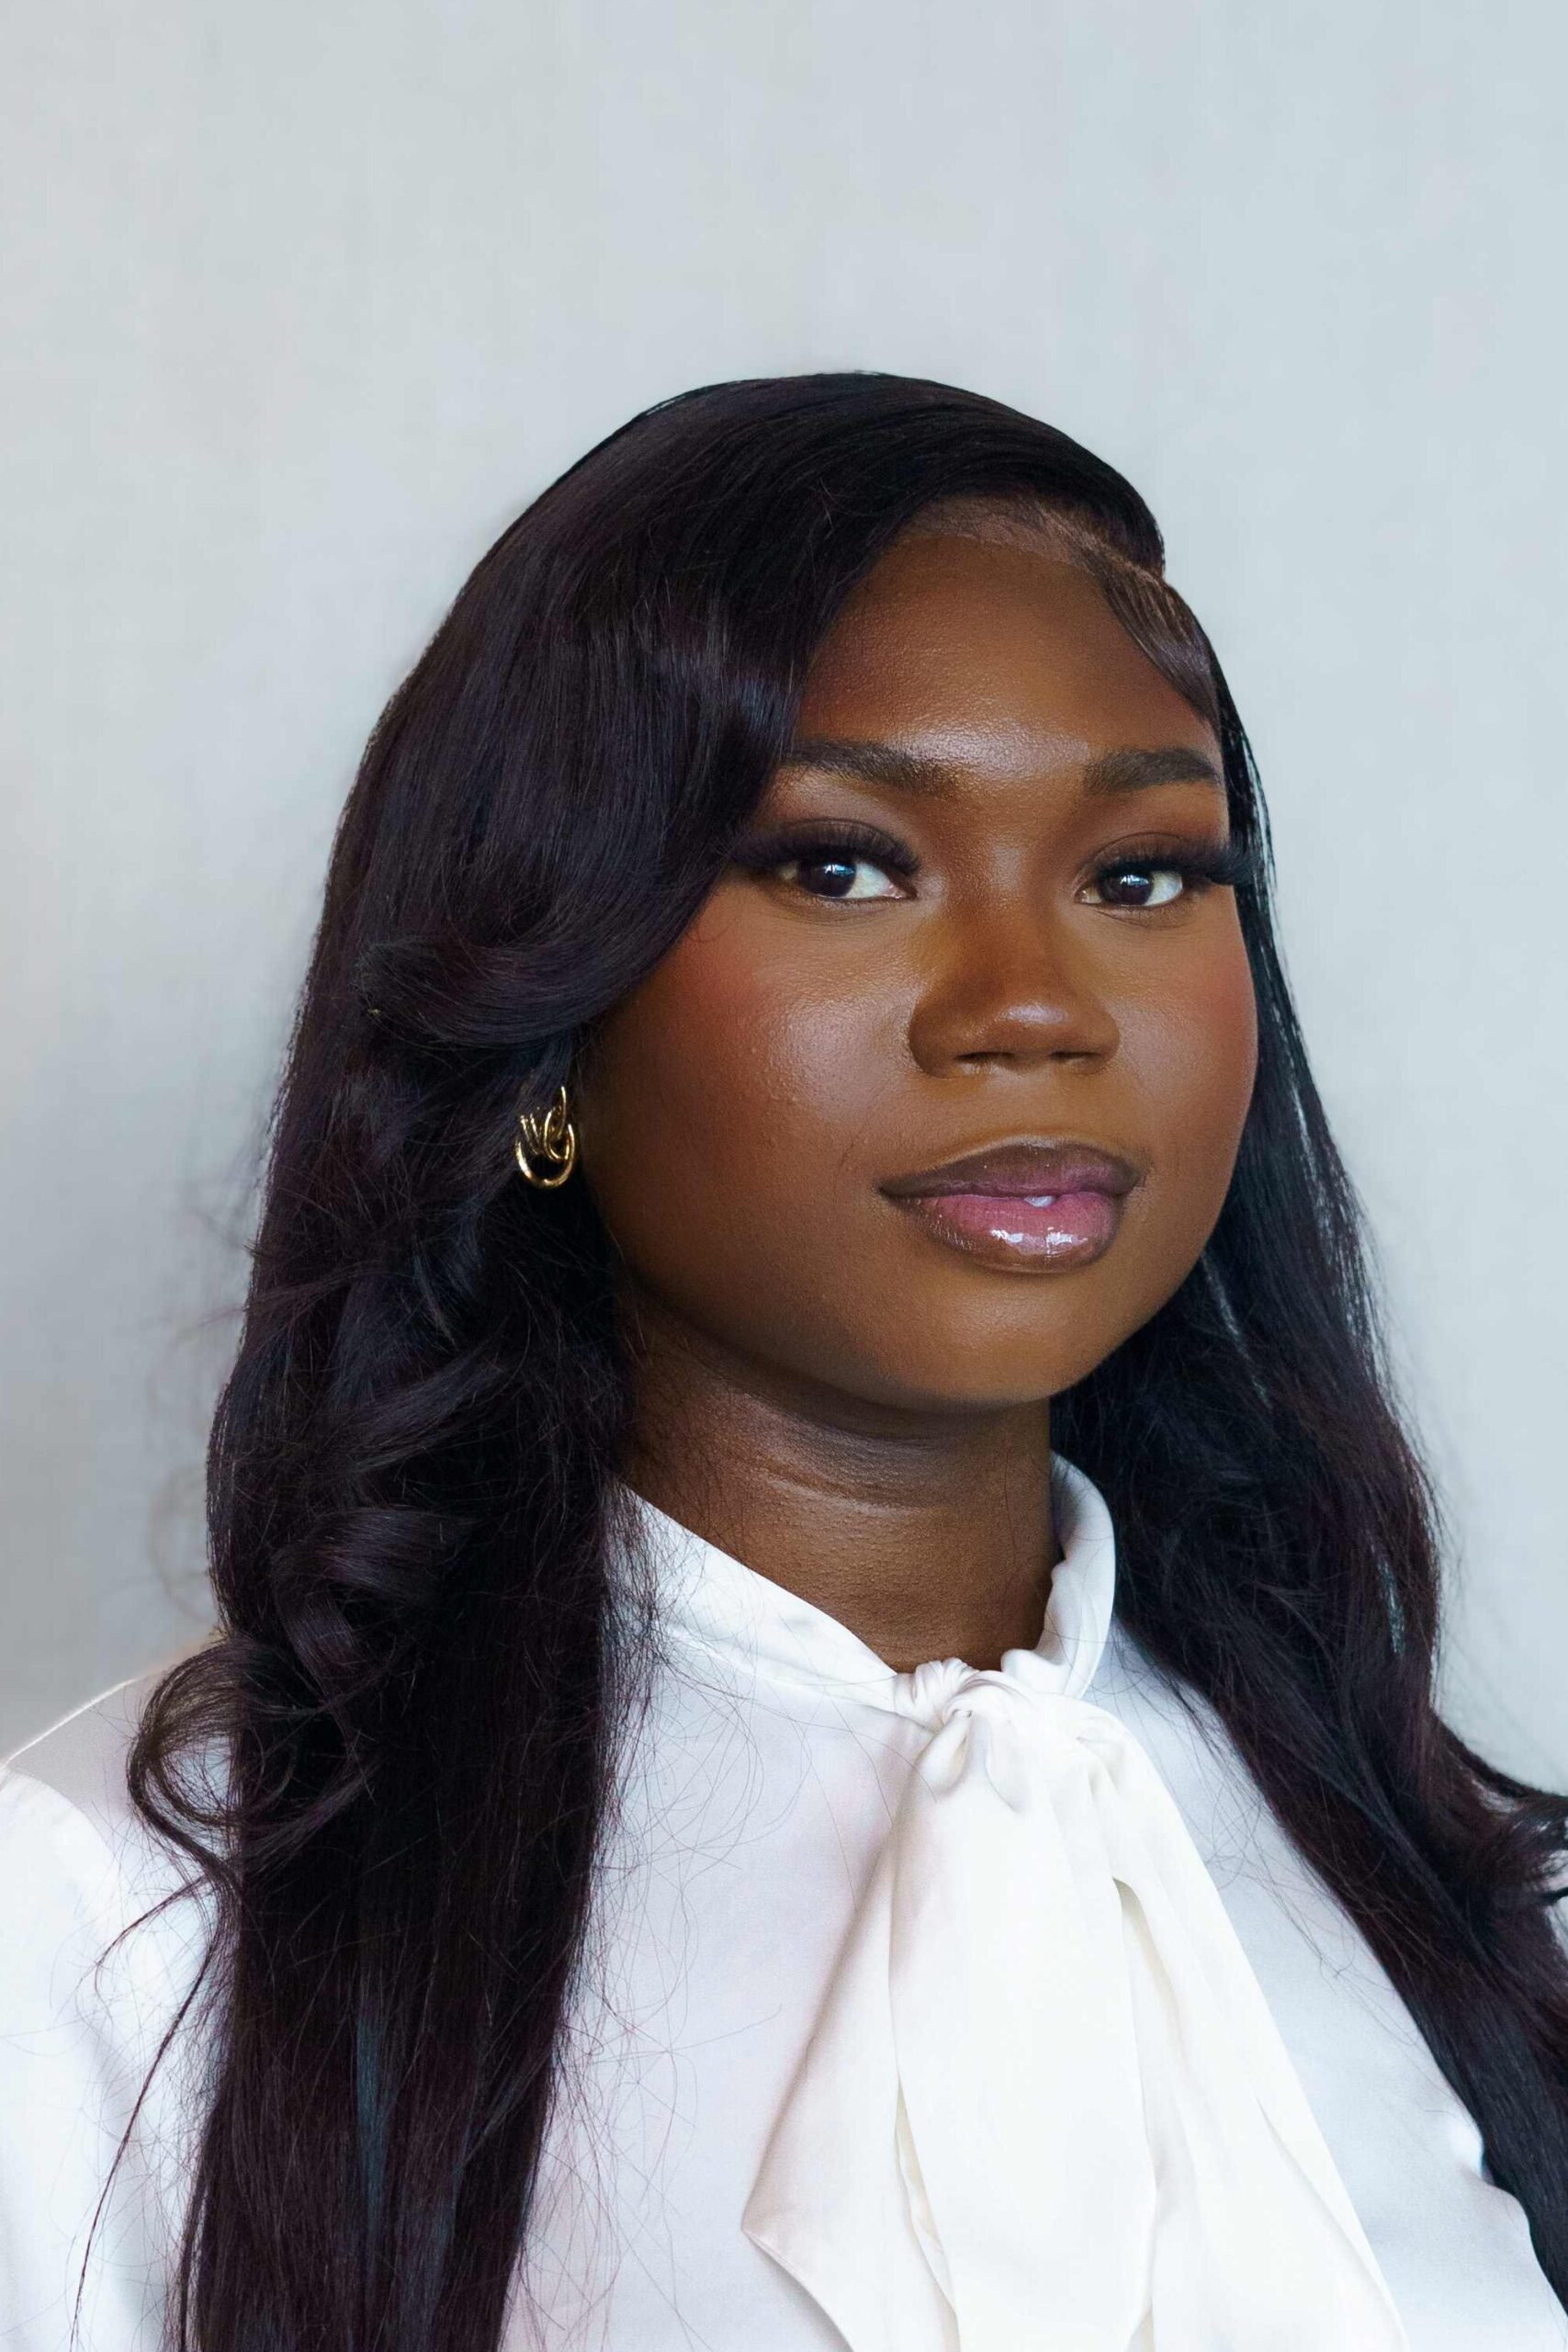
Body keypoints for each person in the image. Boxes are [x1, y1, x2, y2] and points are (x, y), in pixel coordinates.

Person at [3, 376, 1565, 2352]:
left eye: (1141, 872)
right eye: (841, 864)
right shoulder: (121, 1920)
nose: (1032, 1008)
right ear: (549, 1010)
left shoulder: (1436, 1871)